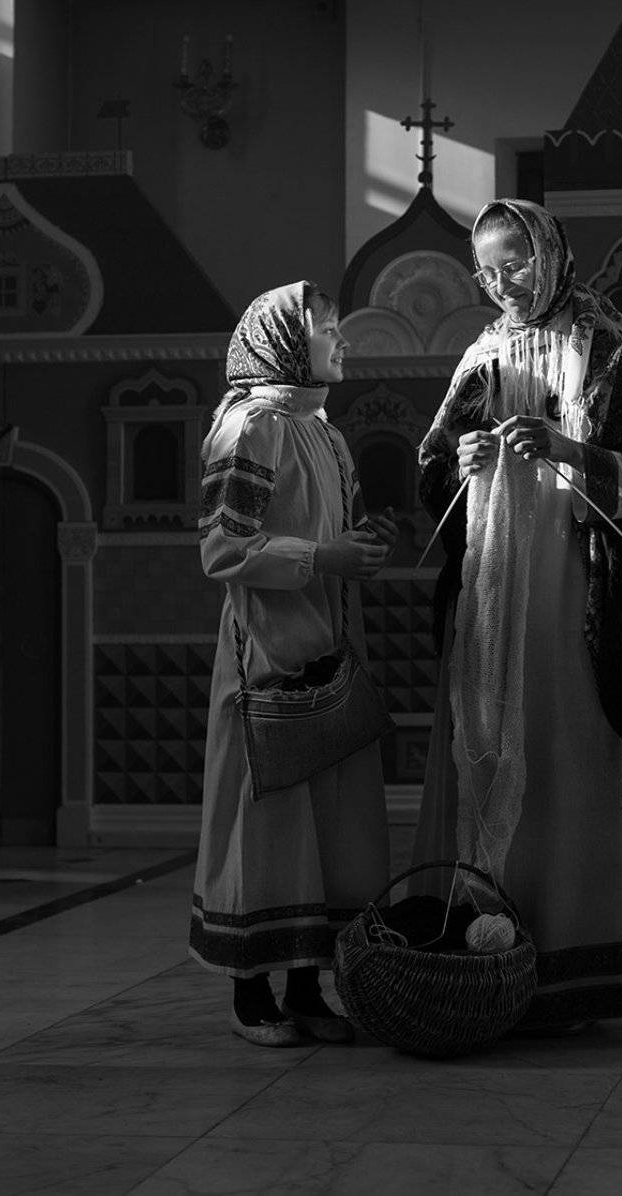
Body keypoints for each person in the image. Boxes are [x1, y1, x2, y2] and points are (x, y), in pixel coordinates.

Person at [414, 200, 622, 1030]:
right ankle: (482, 946)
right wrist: (460, 458)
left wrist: (569, 450)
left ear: (552, 254)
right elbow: (434, 466)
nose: (503, 283)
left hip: (572, 579)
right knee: (488, 732)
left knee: (570, 741)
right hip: (493, 582)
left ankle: (579, 953)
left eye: (517, 263)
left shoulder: (608, 347)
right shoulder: (480, 354)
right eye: (488, 271)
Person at [189, 281, 395, 1047]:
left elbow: (342, 528)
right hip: (267, 649)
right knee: (267, 821)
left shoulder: (325, 432)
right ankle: (250, 991)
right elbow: (221, 548)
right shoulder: (251, 426)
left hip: (329, 645)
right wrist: (323, 556)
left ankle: (308, 988)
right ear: (282, 341)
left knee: (329, 825)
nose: (342, 340)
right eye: (327, 328)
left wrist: (362, 546)